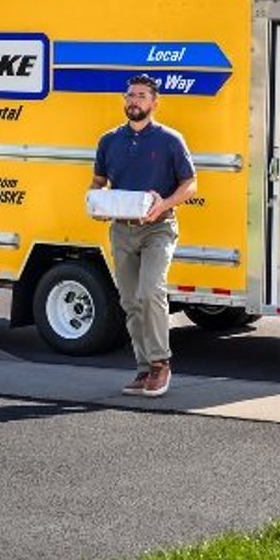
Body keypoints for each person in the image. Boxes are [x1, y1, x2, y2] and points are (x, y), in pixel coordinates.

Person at [90, 74, 196, 397]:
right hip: (122, 229)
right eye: (130, 95)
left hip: (159, 227)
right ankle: (143, 368)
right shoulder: (109, 141)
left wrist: (164, 203)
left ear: (154, 103)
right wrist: (98, 202)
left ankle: (161, 363)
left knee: (151, 290)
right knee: (129, 300)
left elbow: (190, 185)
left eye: (141, 96)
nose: (133, 100)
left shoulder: (169, 140)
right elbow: (98, 182)